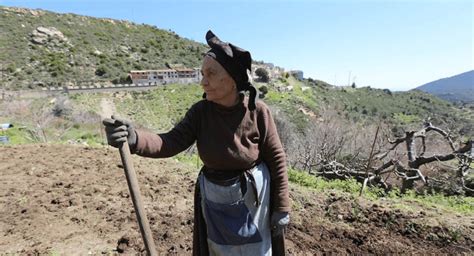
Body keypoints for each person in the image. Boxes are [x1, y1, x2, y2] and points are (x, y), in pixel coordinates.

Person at [103, 30, 290, 256]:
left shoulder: (258, 112)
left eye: (210, 74)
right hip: (216, 197)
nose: (203, 82)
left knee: (255, 251)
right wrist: (135, 138)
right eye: (202, 74)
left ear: (232, 79)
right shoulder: (201, 113)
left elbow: (277, 159)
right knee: (219, 250)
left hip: (254, 201)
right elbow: (170, 142)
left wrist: (281, 207)